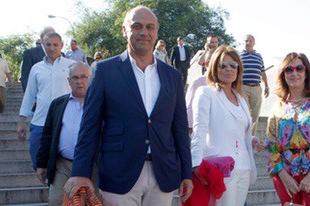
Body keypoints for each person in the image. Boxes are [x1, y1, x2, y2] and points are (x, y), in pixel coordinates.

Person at [63, 6, 193, 205]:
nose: (144, 32)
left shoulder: (173, 76)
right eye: (137, 26)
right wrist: (81, 172)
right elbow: (90, 126)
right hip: (119, 173)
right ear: (125, 30)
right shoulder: (104, 71)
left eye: (150, 27)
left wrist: (186, 172)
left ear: (156, 33)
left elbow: (180, 128)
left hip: (163, 174)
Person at [191, 45, 263, 205]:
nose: (228, 69)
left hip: (244, 166)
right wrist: (195, 165)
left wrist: (251, 139)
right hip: (221, 168)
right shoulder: (206, 93)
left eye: (233, 65)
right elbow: (199, 130)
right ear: (214, 68)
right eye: (223, 65)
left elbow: (238, 131)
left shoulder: (241, 98)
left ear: (239, 69)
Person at [265, 52, 310, 205]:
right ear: (283, 75)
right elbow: (270, 142)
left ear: (306, 73)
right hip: (285, 173)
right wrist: (283, 175)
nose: (294, 73)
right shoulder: (277, 107)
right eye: (289, 70)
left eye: (299, 68)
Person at [36, 62, 99, 205]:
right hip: (63, 165)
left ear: (91, 78)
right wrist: (41, 164)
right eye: (75, 78)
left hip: (94, 165)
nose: (79, 81)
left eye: (84, 77)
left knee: (93, 202)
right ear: (68, 81)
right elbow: (47, 136)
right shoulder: (57, 105)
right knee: (57, 201)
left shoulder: (101, 104)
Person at [17, 32, 74, 170]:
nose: (52, 48)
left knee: (65, 163)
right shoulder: (37, 68)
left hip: (66, 121)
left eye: (55, 44)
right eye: (48, 44)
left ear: (62, 45)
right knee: (39, 163)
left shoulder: (72, 66)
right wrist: (21, 121)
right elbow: (30, 95)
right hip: (41, 121)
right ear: (43, 46)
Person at [240, 34, 269, 136]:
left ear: (254, 43)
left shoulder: (259, 57)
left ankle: (251, 137)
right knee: (245, 112)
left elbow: (263, 72)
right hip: (243, 87)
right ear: (243, 43)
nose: (248, 43)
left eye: (250, 41)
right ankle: (243, 135)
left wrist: (266, 86)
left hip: (256, 87)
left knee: (255, 114)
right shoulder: (239, 56)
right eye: (246, 41)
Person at [185, 48, 216, 134]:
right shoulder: (198, 82)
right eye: (215, 61)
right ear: (207, 64)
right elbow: (189, 106)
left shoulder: (226, 85)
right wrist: (192, 128)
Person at [21, 27, 55, 92]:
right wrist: (31, 98)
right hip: (38, 95)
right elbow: (25, 77)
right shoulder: (30, 53)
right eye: (50, 35)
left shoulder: (61, 55)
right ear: (42, 38)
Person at [0, 46, 12, 114]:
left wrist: (10, 82)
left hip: (1, 85)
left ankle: (0, 114)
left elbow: (7, 73)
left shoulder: (3, 62)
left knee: (2, 102)